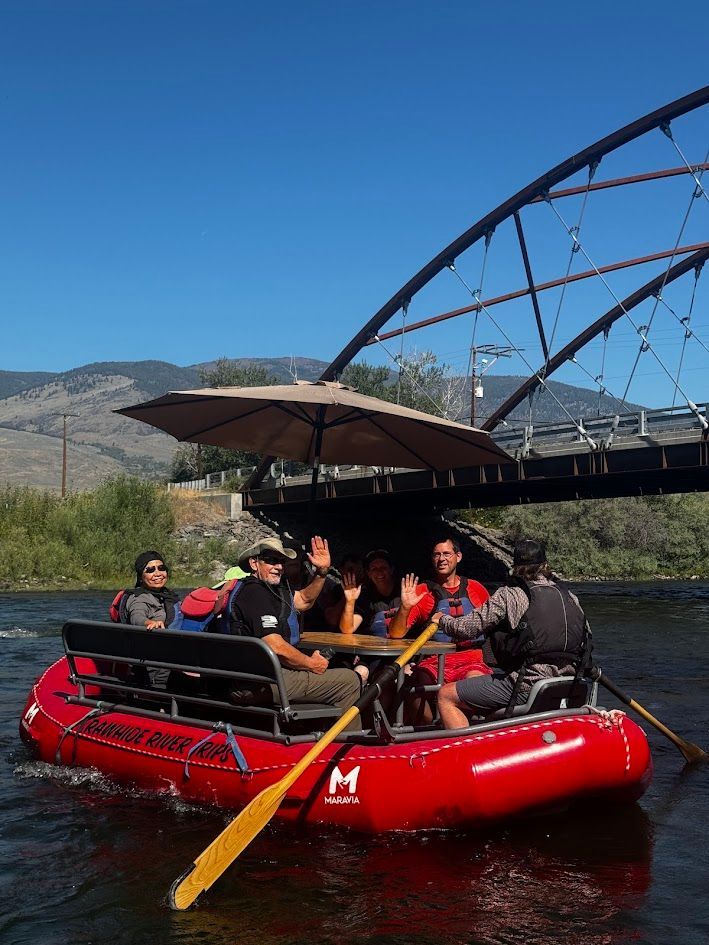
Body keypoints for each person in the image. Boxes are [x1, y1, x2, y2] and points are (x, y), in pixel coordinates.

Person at [434, 539, 590, 729]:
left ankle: (470, 746)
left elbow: (466, 629)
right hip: (570, 685)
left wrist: (442, 620)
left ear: (514, 567)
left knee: (446, 695)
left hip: (527, 685)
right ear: (545, 565)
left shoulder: (509, 595)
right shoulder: (570, 597)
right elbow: (587, 640)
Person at [229, 535, 362, 726]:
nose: (279, 566)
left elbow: (305, 600)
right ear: (254, 563)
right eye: (271, 560)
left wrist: (322, 572)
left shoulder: (271, 590)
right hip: (261, 681)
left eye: (281, 561)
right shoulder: (255, 593)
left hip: (261, 676)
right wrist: (311, 664)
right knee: (349, 680)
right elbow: (276, 647)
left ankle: (317, 730)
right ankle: (346, 740)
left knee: (334, 672)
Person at [387, 536, 492, 724]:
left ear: (458, 556)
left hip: (471, 660)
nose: (441, 559)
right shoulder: (422, 591)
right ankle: (431, 729)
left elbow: (495, 625)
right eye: (436, 555)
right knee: (413, 687)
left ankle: (463, 726)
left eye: (446, 554)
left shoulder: (476, 589)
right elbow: (396, 633)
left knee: (474, 684)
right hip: (434, 663)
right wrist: (405, 607)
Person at [339, 549, 401, 635]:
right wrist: (350, 602)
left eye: (383, 568)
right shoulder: (366, 596)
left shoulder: (406, 591)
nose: (379, 572)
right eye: (374, 569)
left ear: (391, 570)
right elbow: (347, 629)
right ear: (368, 573)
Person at [124, 551, 180, 631]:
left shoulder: (168, 595)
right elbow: (136, 617)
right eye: (150, 570)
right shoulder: (139, 598)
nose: (158, 574)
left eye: (161, 568)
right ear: (140, 577)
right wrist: (149, 623)